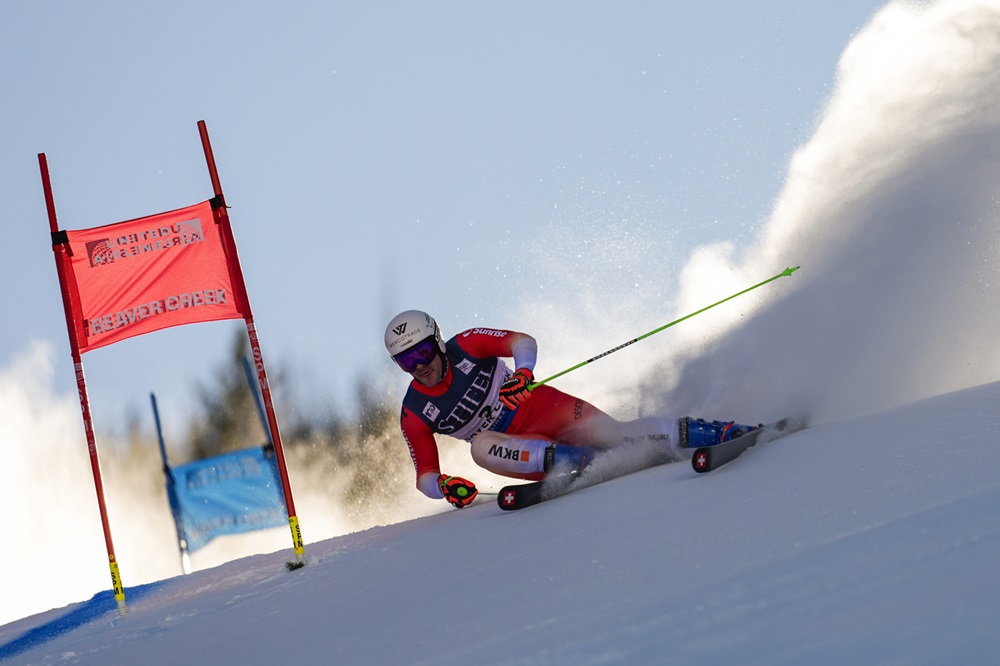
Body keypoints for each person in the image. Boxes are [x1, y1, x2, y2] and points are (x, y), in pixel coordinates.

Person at [384, 309, 756, 508]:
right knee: (480, 448)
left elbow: (522, 341)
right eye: (405, 361)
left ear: (437, 341)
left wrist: (523, 373)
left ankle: (721, 432)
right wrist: (445, 486)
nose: (419, 365)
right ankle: (580, 462)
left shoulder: (466, 343)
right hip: (518, 450)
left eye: (422, 352)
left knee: (617, 434)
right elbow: (424, 477)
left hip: (544, 407)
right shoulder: (415, 411)